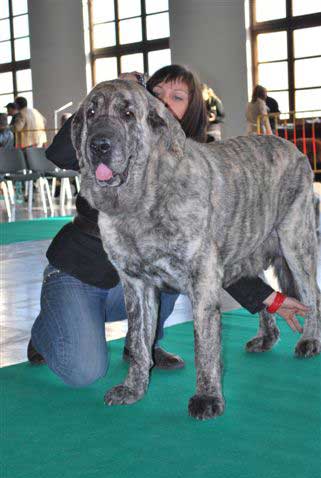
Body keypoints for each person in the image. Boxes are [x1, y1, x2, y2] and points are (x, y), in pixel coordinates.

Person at [28, 65, 307, 388]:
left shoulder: (191, 165)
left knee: (174, 273)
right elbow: (60, 154)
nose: (164, 101)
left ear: (192, 110)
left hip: (129, 286)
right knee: (84, 371)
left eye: (177, 97)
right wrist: (111, 96)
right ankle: (49, 326)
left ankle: (146, 343)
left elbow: (212, 257)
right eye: (157, 93)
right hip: (81, 273)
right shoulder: (113, 134)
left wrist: (268, 298)